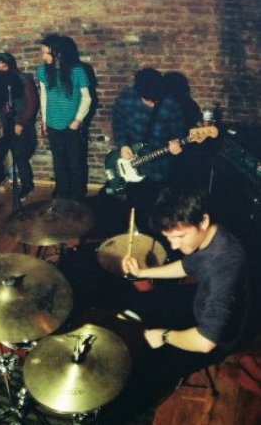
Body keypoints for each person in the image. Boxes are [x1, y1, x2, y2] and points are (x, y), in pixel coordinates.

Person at [101, 187, 248, 422]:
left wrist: (164, 336)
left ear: (203, 221)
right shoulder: (213, 234)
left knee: (146, 379)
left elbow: (205, 342)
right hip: (199, 301)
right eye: (169, 238)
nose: (174, 246)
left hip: (219, 337)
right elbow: (188, 266)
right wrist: (143, 272)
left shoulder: (225, 265)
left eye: (179, 237)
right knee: (139, 303)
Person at [111, 67, 186, 230]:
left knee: (155, 211)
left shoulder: (171, 104)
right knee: (133, 205)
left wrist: (177, 148)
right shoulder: (125, 97)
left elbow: (179, 134)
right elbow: (117, 123)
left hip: (158, 167)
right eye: (148, 100)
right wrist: (123, 145)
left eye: (155, 100)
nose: (152, 103)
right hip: (131, 162)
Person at [36, 34, 92, 200]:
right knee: (58, 161)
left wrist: (78, 120)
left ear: (58, 53)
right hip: (53, 123)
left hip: (72, 124)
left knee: (75, 162)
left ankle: (77, 195)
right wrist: (44, 121)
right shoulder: (42, 71)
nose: (43, 56)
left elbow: (87, 98)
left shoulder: (77, 71)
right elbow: (44, 96)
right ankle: (62, 192)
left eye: (46, 53)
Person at [0, 52, 38, 200]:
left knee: (20, 155)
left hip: (22, 122)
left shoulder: (22, 79)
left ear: (11, 65)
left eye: (4, 66)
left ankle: (27, 186)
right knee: (15, 154)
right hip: (8, 122)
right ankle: (21, 182)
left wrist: (21, 123)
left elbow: (32, 103)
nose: (1, 69)